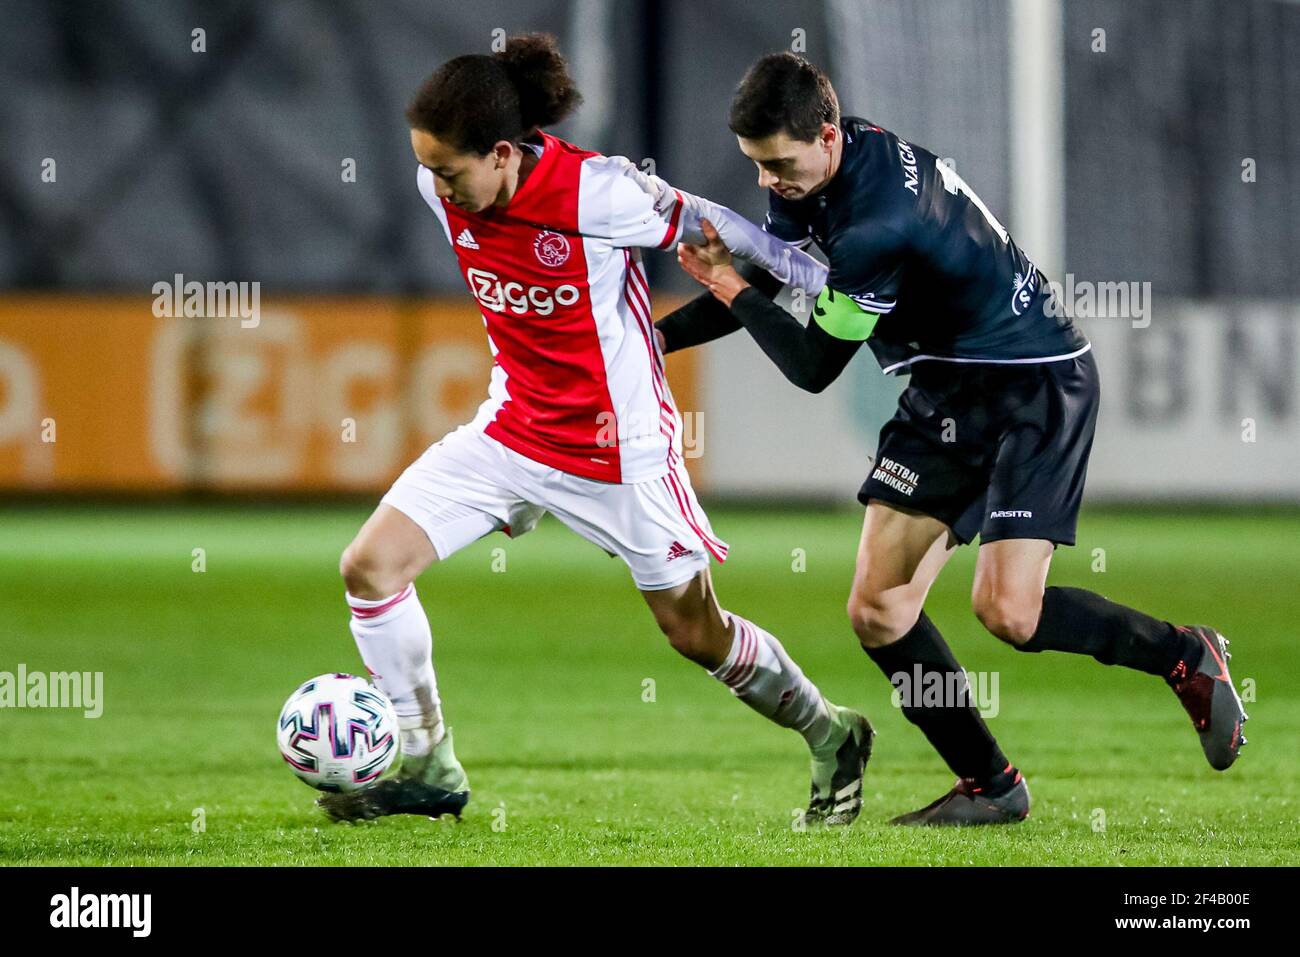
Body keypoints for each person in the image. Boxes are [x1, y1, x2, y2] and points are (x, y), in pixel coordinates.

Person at [648, 52, 1247, 825]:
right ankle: (991, 784)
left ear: (826, 135)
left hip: (1034, 382)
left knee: (1009, 613)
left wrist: (724, 282)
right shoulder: (829, 170)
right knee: (879, 611)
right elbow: (770, 280)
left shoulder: (877, 223)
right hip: (949, 388)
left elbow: (813, 364)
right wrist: (652, 341)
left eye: (779, 165)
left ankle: (1183, 653)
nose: (769, 182)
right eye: (757, 167)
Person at [318, 36, 873, 827]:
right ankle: (430, 762)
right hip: (511, 430)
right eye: (430, 170)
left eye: (450, 171)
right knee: (370, 568)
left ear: (503, 153)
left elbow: (713, 223)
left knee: (694, 631)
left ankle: (830, 733)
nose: (437, 186)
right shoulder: (439, 185)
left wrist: (824, 280)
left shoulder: (597, 192)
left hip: (620, 449)